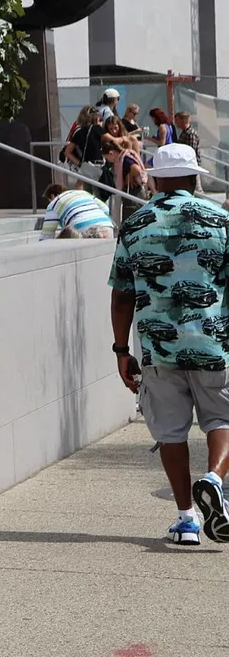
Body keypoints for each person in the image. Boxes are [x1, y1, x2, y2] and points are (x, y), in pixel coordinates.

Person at [109, 143, 229, 546]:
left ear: (156, 180)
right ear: (195, 177)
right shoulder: (222, 221)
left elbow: (122, 295)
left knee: (171, 433)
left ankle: (187, 519)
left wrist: (121, 350)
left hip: (159, 349)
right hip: (215, 344)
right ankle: (213, 479)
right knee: (223, 421)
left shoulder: (135, 225)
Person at [39, 183, 114, 240]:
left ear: (52, 196)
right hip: (107, 226)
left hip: (82, 229)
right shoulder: (82, 193)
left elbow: (46, 236)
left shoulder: (53, 204)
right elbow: (105, 208)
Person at [64, 106, 107, 191]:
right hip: (83, 161)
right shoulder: (82, 130)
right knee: (83, 182)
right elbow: (68, 151)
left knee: (84, 183)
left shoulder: (83, 129)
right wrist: (80, 163)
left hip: (84, 162)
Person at [104, 134, 146, 200]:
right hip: (131, 192)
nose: (108, 160)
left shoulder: (125, 159)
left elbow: (137, 169)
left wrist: (129, 176)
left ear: (111, 153)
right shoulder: (122, 158)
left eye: (107, 158)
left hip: (134, 193)